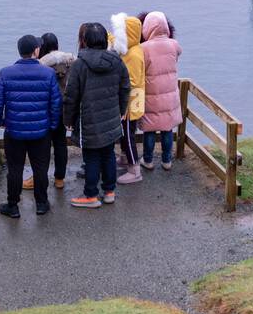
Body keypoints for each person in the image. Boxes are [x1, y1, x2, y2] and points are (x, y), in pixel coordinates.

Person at [0, 34, 62, 218]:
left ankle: (13, 205)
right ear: (36, 51)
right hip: (41, 131)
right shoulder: (48, 73)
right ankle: (41, 203)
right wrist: (53, 124)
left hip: (14, 130)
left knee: (15, 168)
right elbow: (56, 102)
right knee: (40, 168)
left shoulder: (6, 73)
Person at [63, 22, 130, 207]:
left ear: (85, 41)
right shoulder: (116, 61)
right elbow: (125, 86)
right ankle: (109, 192)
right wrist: (122, 109)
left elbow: (71, 95)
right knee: (108, 154)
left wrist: (68, 119)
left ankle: (91, 195)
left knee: (91, 157)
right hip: (111, 118)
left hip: (89, 119)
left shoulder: (79, 65)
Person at [139, 10, 182, 170]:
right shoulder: (173, 44)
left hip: (151, 94)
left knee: (149, 130)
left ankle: (148, 160)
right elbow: (178, 53)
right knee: (167, 128)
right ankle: (166, 160)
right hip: (170, 94)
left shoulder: (143, 48)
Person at [110, 12, 146, 184]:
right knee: (126, 134)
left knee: (128, 136)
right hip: (132, 102)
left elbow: (130, 82)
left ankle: (134, 169)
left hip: (129, 105)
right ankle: (125, 158)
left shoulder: (133, 55)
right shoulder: (133, 49)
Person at [38, 32, 77, 190]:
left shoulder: (41, 65)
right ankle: (59, 179)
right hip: (65, 108)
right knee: (61, 144)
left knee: (43, 145)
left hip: (46, 110)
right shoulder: (71, 62)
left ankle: (39, 177)